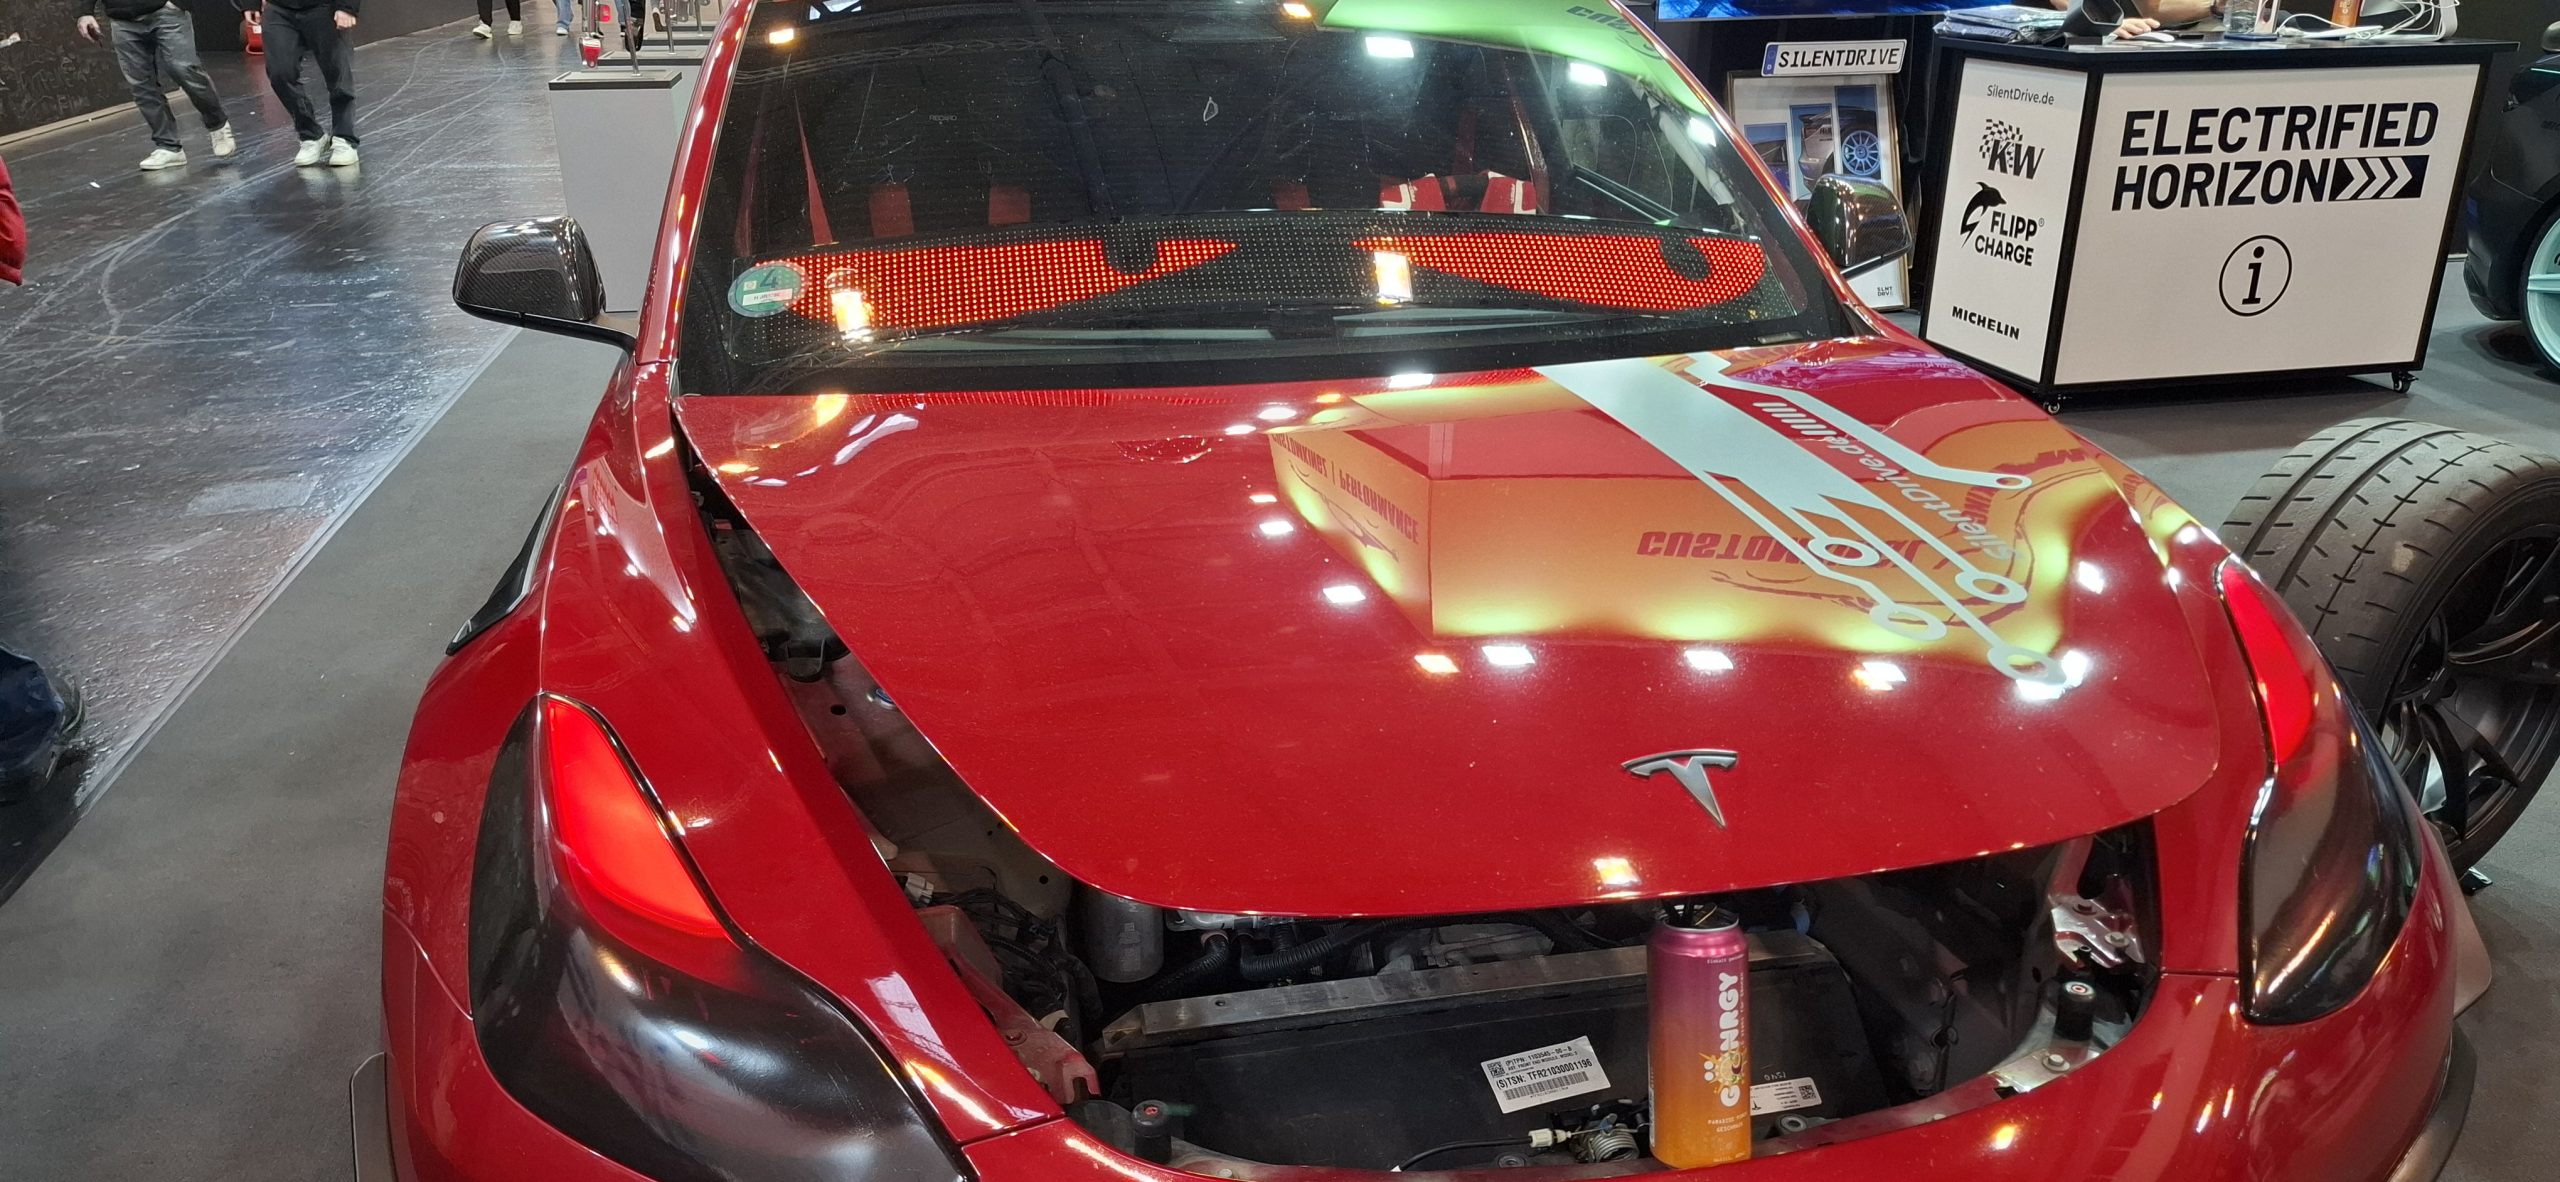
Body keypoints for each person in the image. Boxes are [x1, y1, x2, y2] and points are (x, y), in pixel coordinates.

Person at [75, 0, 235, 172]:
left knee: (183, 69)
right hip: (121, 18)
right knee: (141, 84)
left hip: (165, 11)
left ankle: (217, 123)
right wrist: (85, 12)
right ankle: (168, 146)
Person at [264, 0, 361, 168]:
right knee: (279, 73)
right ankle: (311, 135)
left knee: (338, 73)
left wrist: (347, 6)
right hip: (279, 8)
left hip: (324, 7)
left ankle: (344, 137)